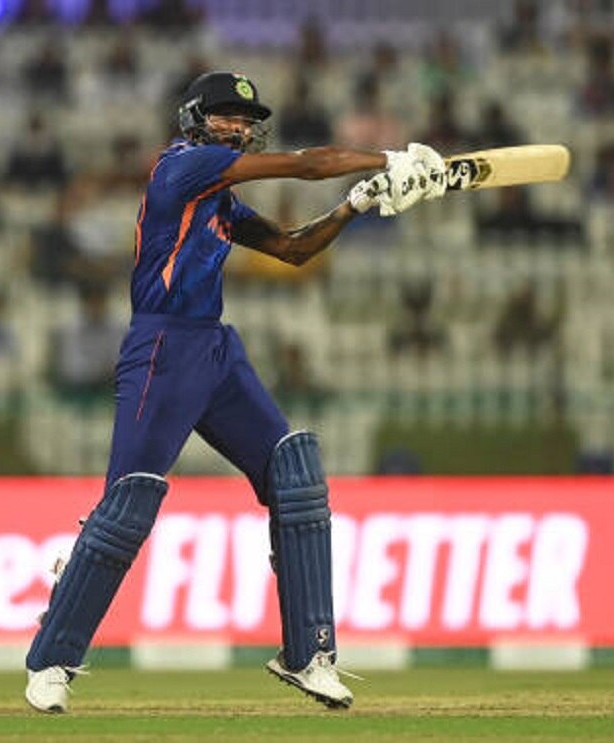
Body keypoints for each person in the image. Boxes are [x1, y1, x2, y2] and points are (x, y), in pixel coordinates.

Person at [23, 71, 446, 713]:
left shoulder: (217, 199)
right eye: (225, 116)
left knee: (294, 477)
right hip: (162, 349)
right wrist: (392, 156)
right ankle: (51, 660)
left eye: (244, 120)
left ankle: (310, 654)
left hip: (214, 349)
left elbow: (292, 249)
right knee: (128, 508)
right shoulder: (183, 168)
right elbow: (308, 165)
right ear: (196, 119)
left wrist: (358, 202)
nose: (239, 128)